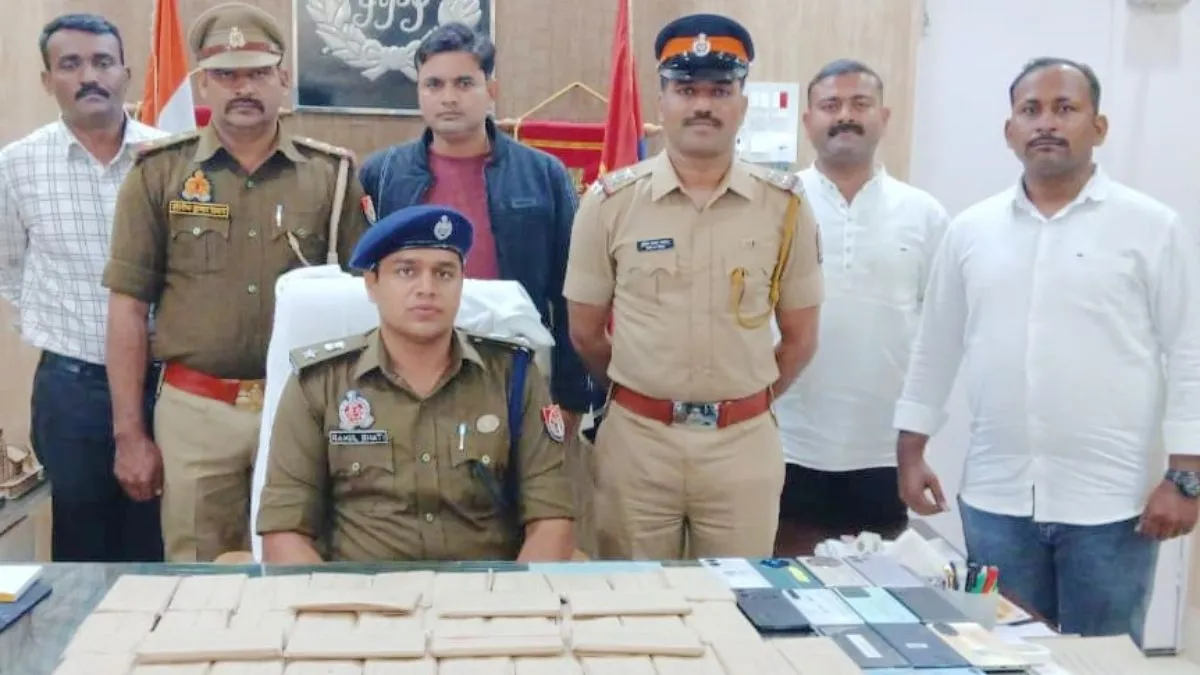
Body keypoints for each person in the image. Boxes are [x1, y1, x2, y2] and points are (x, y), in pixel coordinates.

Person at [894, 57, 1200, 645]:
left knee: (1105, 660)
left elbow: (1190, 352)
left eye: (1065, 108)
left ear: (1099, 127)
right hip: (996, 498)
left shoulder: (1152, 228)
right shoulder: (971, 231)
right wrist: (911, 450)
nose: (1046, 123)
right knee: (1004, 654)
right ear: (1010, 130)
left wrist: (1185, 477)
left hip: (1114, 505)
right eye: (1030, 110)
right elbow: (934, 347)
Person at [101, 2, 370, 563]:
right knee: (198, 575)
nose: (242, 87)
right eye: (225, 75)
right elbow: (127, 308)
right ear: (202, 84)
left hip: (302, 407)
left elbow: (364, 301)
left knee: (304, 566)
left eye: (257, 72)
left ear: (283, 78)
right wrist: (129, 433)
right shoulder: (159, 173)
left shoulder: (332, 175)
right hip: (196, 412)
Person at [563, 13, 824, 560]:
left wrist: (739, 403)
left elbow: (800, 338)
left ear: (742, 103)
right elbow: (585, 333)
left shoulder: (785, 206)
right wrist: (644, 392)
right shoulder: (609, 203)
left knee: (738, 599)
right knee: (634, 598)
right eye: (686, 90)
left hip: (742, 448)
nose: (703, 104)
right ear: (662, 102)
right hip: (638, 445)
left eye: (720, 90)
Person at [357, 22, 596, 548]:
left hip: (518, 374)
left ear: (492, 89)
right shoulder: (382, 174)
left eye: (464, 83)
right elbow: (366, 285)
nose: (448, 97)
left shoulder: (544, 174)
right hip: (414, 375)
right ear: (418, 92)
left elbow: (569, 290)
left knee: (529, 518)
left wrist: (571, 396)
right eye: (434, 84)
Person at [256, 205, 576, 563]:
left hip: (486, 590)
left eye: (444, 273)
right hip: (360, 591)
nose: (427, 289)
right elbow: (285, 532)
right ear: (372, 284)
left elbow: (551, 520)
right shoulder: (320, 383)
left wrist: (510, 597)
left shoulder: (513, 377)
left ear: (461, 283)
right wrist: (335, 597)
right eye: (406, 271)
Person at [0, 13, 167, 562]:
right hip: (72, 391)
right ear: (47, 79)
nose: (89, 76)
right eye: (70, 64)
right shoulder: (16, 166)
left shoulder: (171, 157)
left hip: (166, 385)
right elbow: (9, 267)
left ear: (126, 72)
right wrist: (61, 323)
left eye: (102, 62)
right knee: (82, 542)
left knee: (161, 542)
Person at [772, 59, 949, 556]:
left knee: (874, 592)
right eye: (831, 105)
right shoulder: (775, 204)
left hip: (882, 453)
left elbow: (940, 339)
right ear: (808, 120)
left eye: (860, 104)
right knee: (780, 588)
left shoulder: (925, 215)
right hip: (782, 443)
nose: (845, 116)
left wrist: (917, 443)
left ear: (884, 118)